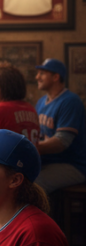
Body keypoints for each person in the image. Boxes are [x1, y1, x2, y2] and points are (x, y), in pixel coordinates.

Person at [33, 58, 86, 194]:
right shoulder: (41, 102)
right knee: (17, 176)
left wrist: (29, 148)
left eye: (42, 73)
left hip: (73, 164)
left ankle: (41, 216)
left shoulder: (70, 101)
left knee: (33, 184)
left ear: (56, 77)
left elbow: (61, 142)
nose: (37, 77)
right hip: (49, 161)